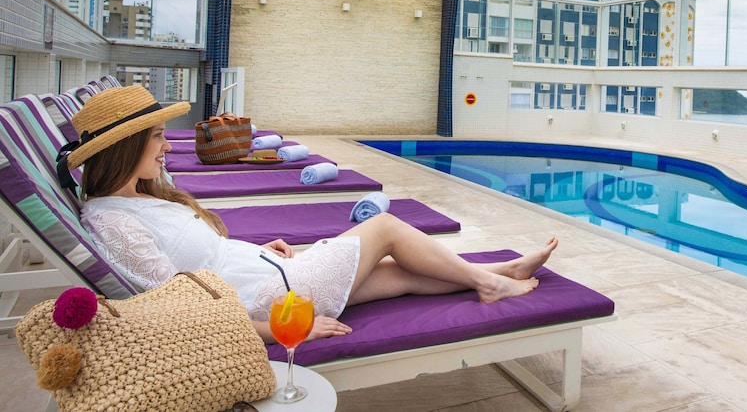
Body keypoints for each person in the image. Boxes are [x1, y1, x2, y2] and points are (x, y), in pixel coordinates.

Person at [59, 86, 558, 343]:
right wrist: (281, 330)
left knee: (398, 274)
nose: (168, 146)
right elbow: (178, 312)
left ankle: (502, 270)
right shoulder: (114, 222)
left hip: (265, 275)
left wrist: (255, 250)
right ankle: (489, 283)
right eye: (156, 138)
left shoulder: (141, 197)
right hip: (269, 302)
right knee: (384, 228)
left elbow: (201, 259)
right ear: (123, 148)